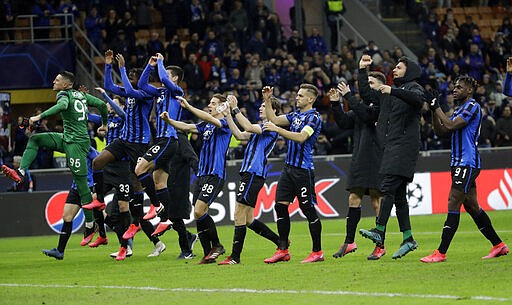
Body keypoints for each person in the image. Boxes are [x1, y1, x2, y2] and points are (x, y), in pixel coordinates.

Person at [1, 71, 109, 260]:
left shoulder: (64, 95)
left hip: (76, 144)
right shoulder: (81, 94)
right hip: (68, 139)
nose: (53, 81)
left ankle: (91, 226)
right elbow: (100, 104)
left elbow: (61, 106)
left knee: (80, 181)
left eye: (57, 80)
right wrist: (105, 124)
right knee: (35, 140)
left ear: (66, 85)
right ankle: (21, 171)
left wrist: (37, 117)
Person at [420, 76, 509, 263]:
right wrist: (433, 111)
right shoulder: (458, 109)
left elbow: (451, 125)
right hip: (458, 162)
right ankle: (498, 245)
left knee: (453, 201)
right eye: (454, 86)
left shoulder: (472, 106)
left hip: (467, 162)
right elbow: (441, 131)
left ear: (469, 90)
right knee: (471, 205)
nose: (455, 89)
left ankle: (441, 252)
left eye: (459, 87)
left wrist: (437, 107)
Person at [88, 50, 164, 260]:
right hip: (124, 140)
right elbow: (111, 87)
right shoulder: (130, 92)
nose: (129, 81)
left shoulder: (146, 94)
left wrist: (121, 68)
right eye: (130, 77)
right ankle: (100, 200)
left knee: (136, 182)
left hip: (139, 143)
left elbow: (129, 90)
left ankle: (150, 212)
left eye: (132, 78)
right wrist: (108, 65)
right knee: (97, 162)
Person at [357, 54, 423, 259]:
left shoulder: (413, 88)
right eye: (394, 67)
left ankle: (379, 230)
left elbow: (418, 100)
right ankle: (408, 238)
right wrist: (362, 71)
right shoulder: (388, 94)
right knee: (399, 196)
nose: (394, 70)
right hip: (391, 147)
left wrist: (393, 90)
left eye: (399, 68)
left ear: (409, 71)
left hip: (404, 147)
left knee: (387, 188)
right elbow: (367, 93)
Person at [160, 93, 231, 264]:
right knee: (198, 213)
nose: (210, 105)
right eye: (210, 102)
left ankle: (217, 245)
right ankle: (208, 254)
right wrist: (169, 121)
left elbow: (207, 117)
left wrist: (189, 107)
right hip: (201, 175)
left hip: (215, 175)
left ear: (222, 107)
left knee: (200, 210)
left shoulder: (225, 123)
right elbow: (186, 127)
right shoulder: (206, 125)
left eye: (213, 103)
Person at [217, 89, 282, 265]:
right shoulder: (260, 128)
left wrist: (236, 109)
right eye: (260, 106)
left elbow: (247, 127)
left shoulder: (270, 126)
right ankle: (281, 243)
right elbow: (239, 135)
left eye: (264, 106)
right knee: (248, 219)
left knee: (238, 214)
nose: (261, 108)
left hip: (254, 173)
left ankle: (235, 257)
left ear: (274, 111)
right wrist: (229, 114)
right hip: (250, 174)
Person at [261, 84, 324, 264]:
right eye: (297, 95)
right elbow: (273, 118)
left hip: (303, 171)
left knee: (308, 210)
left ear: (310, 99)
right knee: (280, 206)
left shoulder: (314, 118)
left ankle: (317, 252)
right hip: (288, 169)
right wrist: (267, 100)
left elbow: (302, 137)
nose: (297, 98)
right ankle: (282, 250)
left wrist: (278, 130)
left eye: (301, 95)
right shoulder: (295, 116)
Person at [329, 76, 385, 260]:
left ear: (381, 87)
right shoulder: (360, 107)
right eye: (366, 83)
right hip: (360, 158)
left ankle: (380, 246)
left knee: (377, 201)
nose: (367, 87)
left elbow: (367, 115)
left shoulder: (382, 105)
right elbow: (344, 123)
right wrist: (336, 103)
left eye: (371, 83)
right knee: (353, 198)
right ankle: (349, 242)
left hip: (377, 157)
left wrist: (348, 96)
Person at [136, 53, 184, 237]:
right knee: (158, 182)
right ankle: (166, 220)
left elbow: (163, 77)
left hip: (168, 140)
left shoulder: (178, 92)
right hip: (162, 141)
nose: (163, 77)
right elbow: (141, 85)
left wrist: (161, 62)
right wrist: (150, 66)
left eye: (168, 75)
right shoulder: (161, 92)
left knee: (139, 169)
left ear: (175, 79)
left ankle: (156, 206)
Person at [168, 130, 199, 259]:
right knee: (170, 216)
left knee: (176, 216)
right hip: (166, 184)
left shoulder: (179, 136)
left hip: (179, 183)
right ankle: (188, 237)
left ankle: (186, 251)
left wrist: (200, 175)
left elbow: (191, 156)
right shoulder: (163, 136)